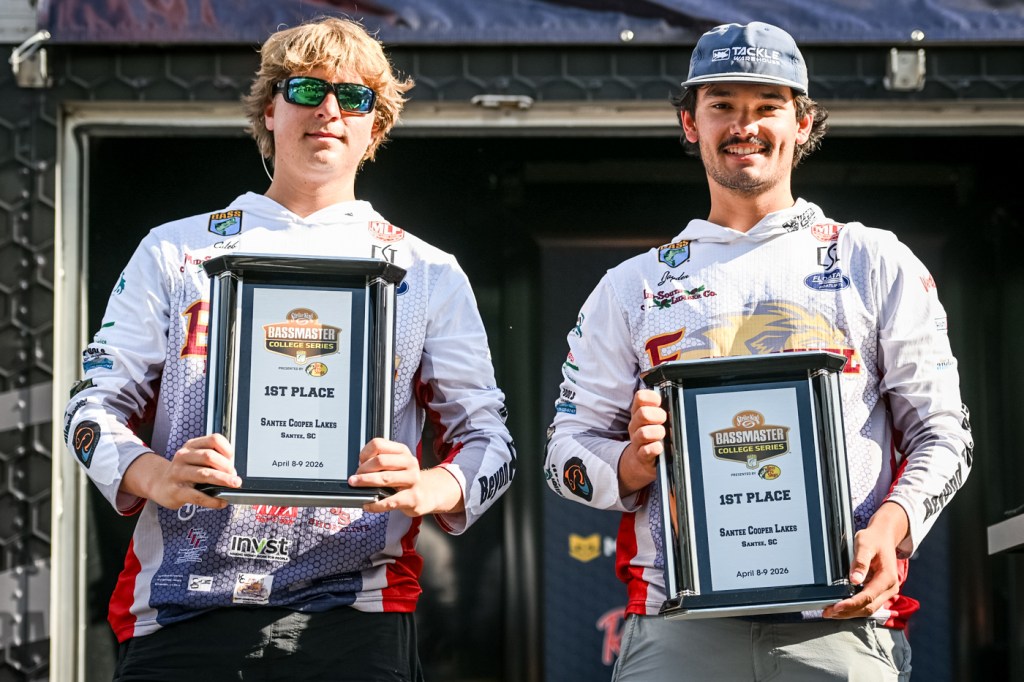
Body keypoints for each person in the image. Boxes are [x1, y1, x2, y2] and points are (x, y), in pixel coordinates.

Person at [63, 16, 516, 682]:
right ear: (269, 111)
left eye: (354, 97)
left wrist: (427, 485)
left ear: (374, 127)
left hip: (356, 614)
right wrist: (154, 474)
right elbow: (89, 410)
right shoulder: (176, 251)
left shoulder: (427, 272)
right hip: (180, 608)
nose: (329, 110)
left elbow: (491, 442)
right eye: (306, 90)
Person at [544, 21, 972, 682]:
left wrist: (893, 526)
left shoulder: (873, 260)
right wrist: (630, 462)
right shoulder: (631, 287)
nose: (745, 125)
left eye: (767, 105)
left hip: (843, 617)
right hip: (676, 624)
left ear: (802, 123)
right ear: (690, 123)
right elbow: (563, 457)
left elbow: (944, 435)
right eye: (723, 105)